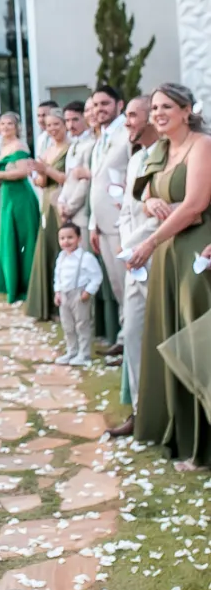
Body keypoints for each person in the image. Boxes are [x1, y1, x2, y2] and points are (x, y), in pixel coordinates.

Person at [130, 85, 211, 468]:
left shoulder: (202, 146)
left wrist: (149, 243)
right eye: (154, 108)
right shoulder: (161, 150)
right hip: (168, 253)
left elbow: (194, 205)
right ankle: (179, 433)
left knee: (195, 343)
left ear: (186, 110)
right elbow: (146, 194)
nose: (158, 113)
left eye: (166, 107)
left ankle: (203, 445)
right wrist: (150, 202)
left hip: (195, 251)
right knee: (169, 335)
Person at [109, 96, 157, 437]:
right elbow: (127, 209)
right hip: (133, 258)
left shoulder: (171, 155)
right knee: (135, 334)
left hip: (159, 252)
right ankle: (141, 411)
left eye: (133, 115)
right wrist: (127, 247)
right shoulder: (137, 158)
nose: (127, 122)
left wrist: (137, 245)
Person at [88, 86, 129, 350]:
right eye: (95, 105)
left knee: (126, 285)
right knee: (116, 285)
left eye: (105, 103)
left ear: (119, 105)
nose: (99, 109)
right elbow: (97, 182)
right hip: (102, 224)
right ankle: (124, 337)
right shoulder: (100, 137)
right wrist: (93, 224)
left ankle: (129, 341)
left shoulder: (127, 133)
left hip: (120, 222)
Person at [25, 110, 69, 321]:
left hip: (62, 201)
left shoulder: (71, 148)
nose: (52, 129)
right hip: (46, 201)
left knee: (62, 247)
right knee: (46, 247)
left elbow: (66, 178)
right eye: (49, 125)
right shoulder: (48, 149)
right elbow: (42, 182)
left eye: (56, 124)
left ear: (64, 125)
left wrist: (46, 169)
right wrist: (37, 173)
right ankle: (46, 306)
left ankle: (63, 306)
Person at [0, 112, 40, 304]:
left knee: (22, 238)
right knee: (8, 237)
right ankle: (10, 282)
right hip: (7, 196)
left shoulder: (19, 146)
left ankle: (25, 284)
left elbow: (22, 172)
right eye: (2, 124)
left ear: (16, 127)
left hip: (20, 197)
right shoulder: (2, 146)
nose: (5, 127)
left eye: (9, 124)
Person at [53, 223, 103, 366]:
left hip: (79, 294)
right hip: (64, 294)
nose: (66, 241)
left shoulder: (86, 258)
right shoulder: (61, 257)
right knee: (67, 325)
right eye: (62, 238)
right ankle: (72, 351)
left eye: (70, 237)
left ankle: (84, 354)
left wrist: (88, 291)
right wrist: (57, 292)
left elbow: (97, 276)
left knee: (82, 324)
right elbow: (57, 276)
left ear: (79, 238)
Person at [56, 102, 91, 234]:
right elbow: (68, 178)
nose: (71, 125)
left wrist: (70, 207)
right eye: (67, 121)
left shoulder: (91, 144)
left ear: (85, 118)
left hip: (82, 211)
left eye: (75, 119)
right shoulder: (72, 145)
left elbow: (85, 181)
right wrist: (61, 202)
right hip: (68, 210)